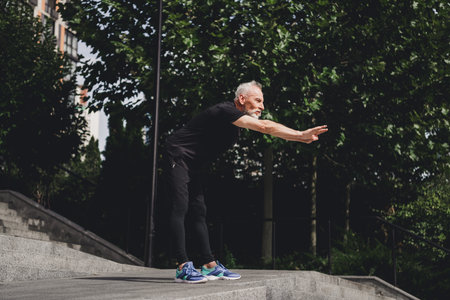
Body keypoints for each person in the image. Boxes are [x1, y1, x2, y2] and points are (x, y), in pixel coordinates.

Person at [164, 81, 328, 283]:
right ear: (242, 99)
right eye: (258, 100)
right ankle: (182, 266)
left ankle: (209, 265)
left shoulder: (236, 121)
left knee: (199, 210)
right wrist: (300, 135)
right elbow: (265, 126)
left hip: (195, 164)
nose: (262, 106)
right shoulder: (226, 110)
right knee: (180, 206)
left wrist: (300, 138)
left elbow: (267, 127)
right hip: (178, 154)